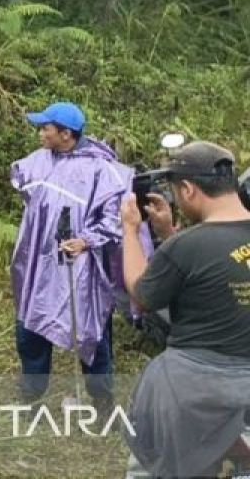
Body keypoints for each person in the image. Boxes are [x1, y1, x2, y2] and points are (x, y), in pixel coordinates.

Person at [121, 142, 250, 479]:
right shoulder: (186, 244)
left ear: (189, 189)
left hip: (193, 388)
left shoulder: (187, 247)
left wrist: (131, 231)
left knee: (151, 467)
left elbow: (141, 295)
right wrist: (168, 233)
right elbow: (221, 266)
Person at [9, 102, 131, 407]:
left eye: (45, 128)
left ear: (65, 134)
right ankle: (31, 399)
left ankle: (102, 402)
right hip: (38, 263)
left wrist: (86, 240)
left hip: (81, 267)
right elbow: (24, 188)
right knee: (31, 327)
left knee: (92, 331)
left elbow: (116, 217)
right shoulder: (38, 161)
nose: (40, 133)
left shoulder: (101, 170)